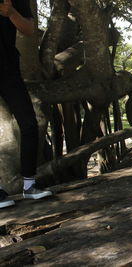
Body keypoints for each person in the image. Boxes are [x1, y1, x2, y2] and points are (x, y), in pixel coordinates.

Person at [0, 0, 52, 209]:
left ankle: (29, 185)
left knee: (29, 124)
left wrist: (11, 12)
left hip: (8, 68)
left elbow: (29, 29)